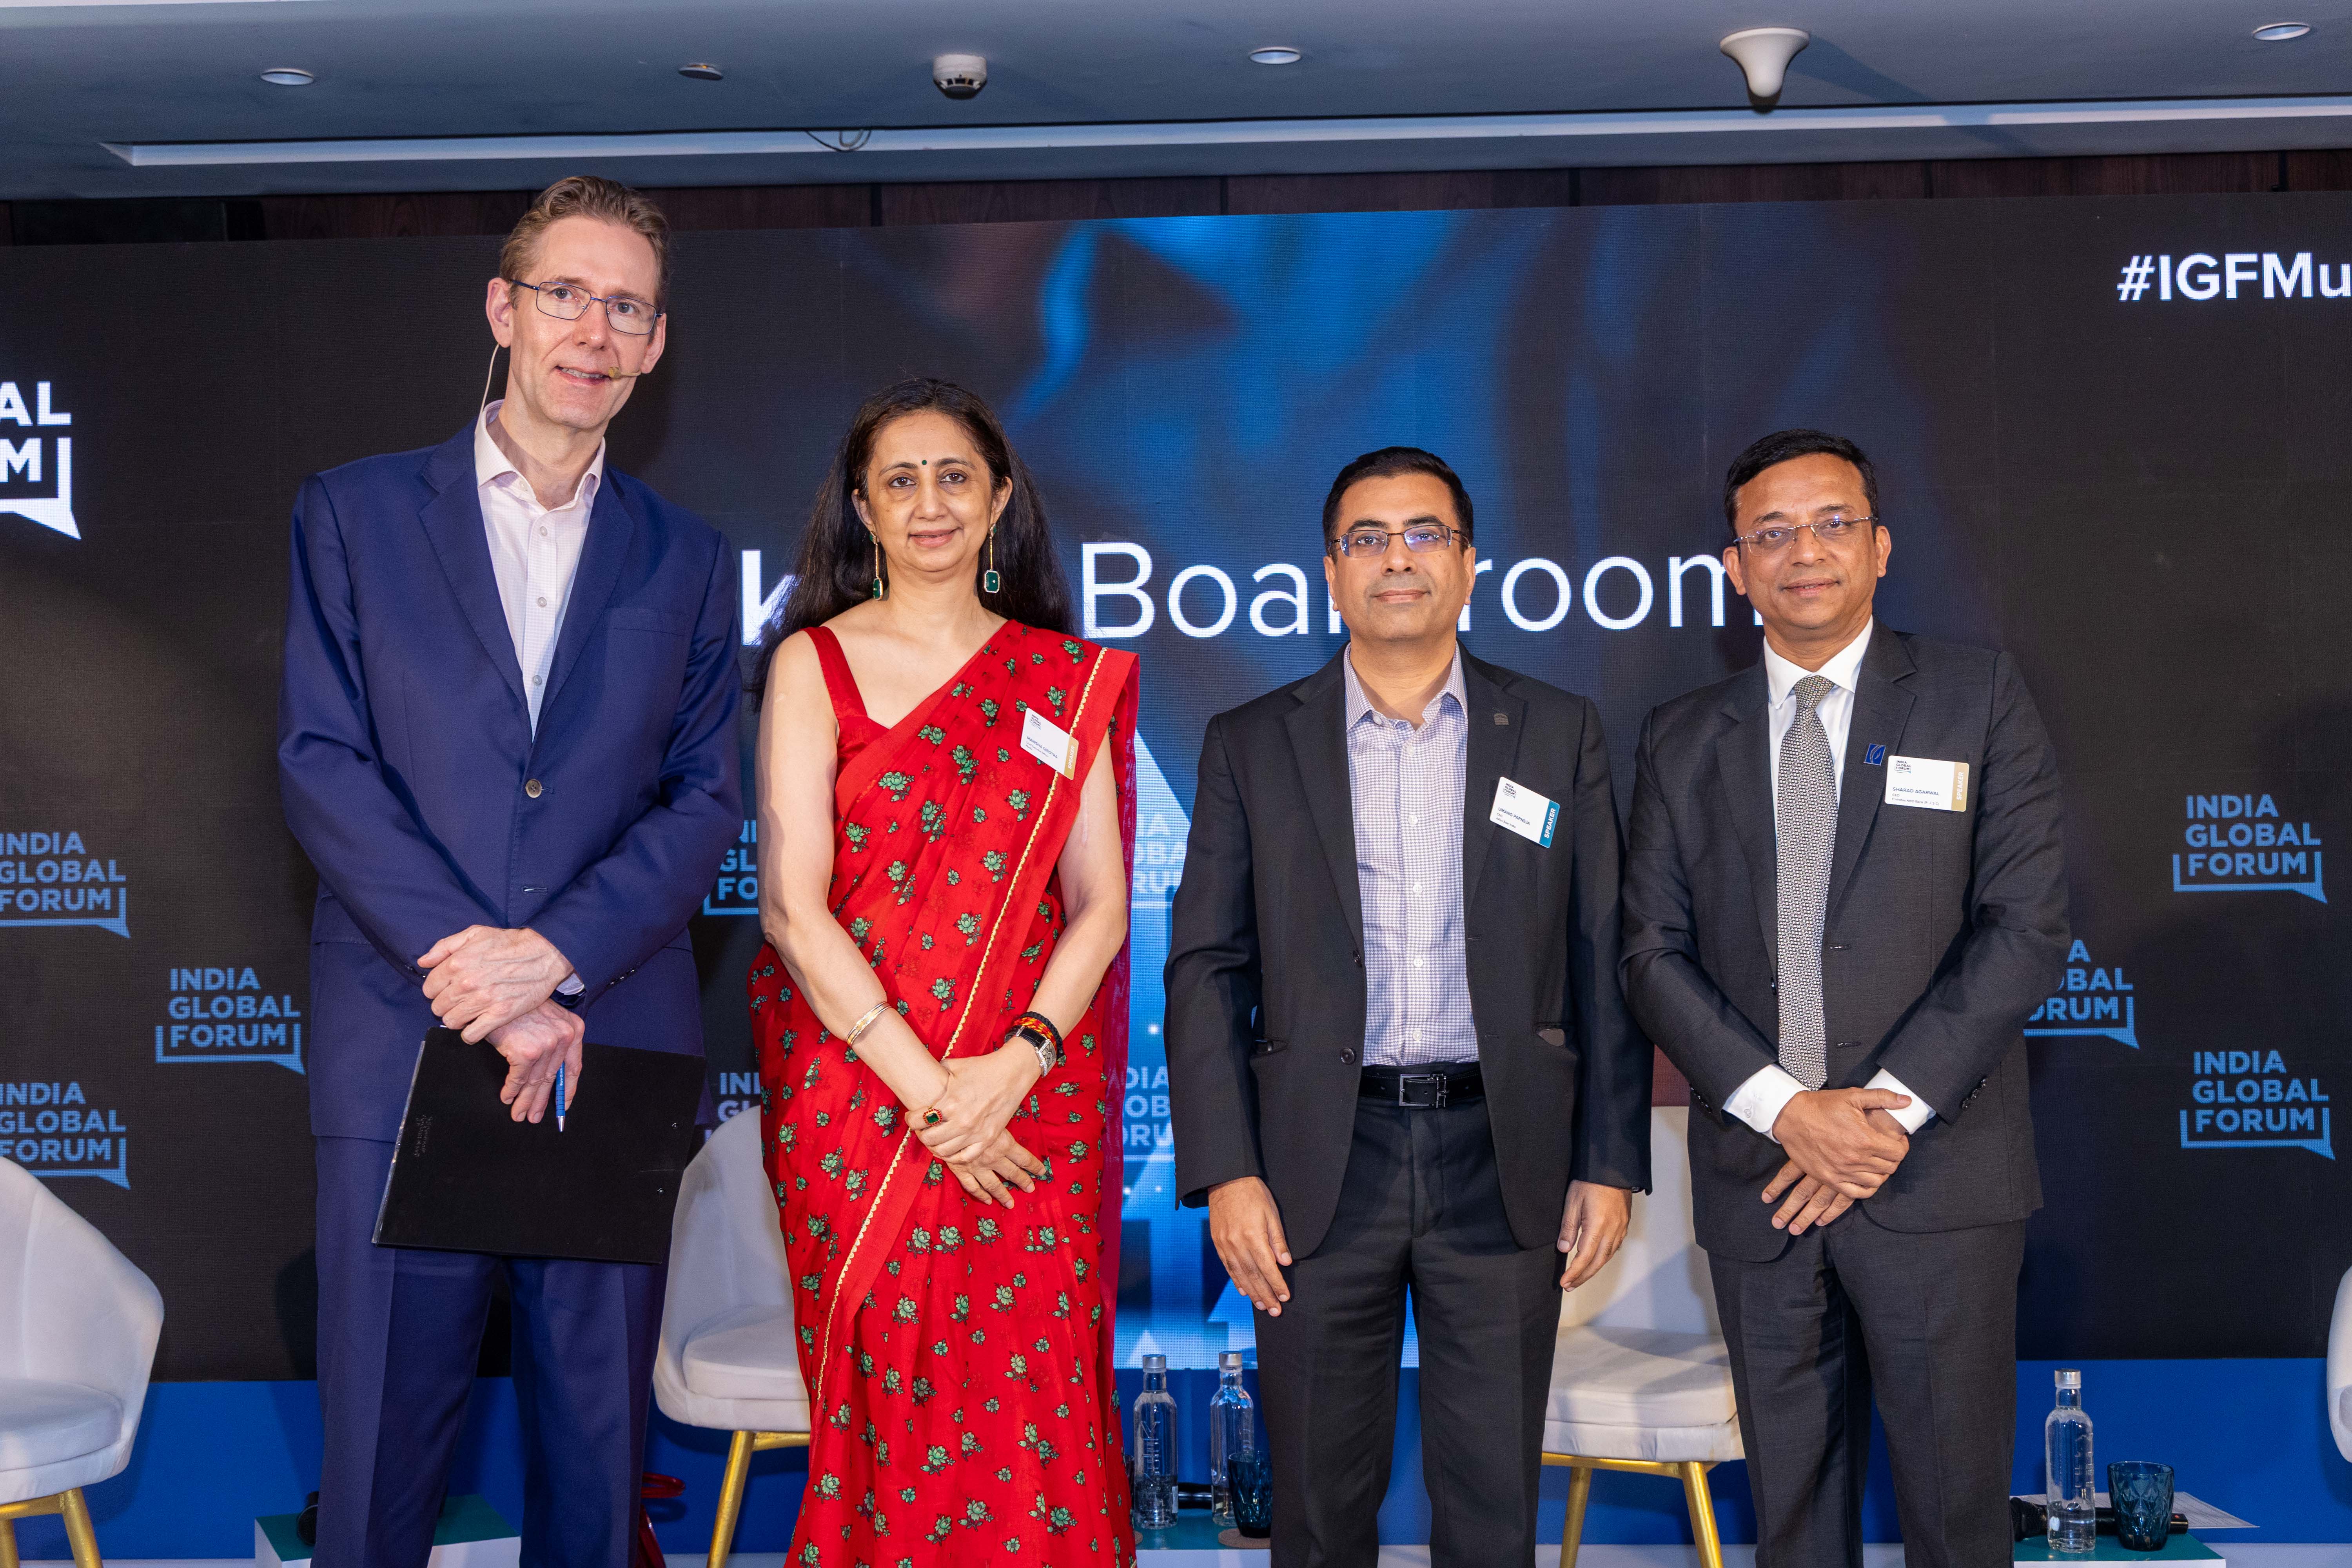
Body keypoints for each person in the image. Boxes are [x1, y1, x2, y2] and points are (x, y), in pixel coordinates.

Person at [277, 175, 742, 1566]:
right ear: (503, 309)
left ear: (658, 345)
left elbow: (703, 798)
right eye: (565, 295)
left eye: (627, 309)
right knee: (378, 1470)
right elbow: (322, 761)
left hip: (610, 1048)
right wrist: (487, 977)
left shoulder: (689, 556)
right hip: (405, 1042)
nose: (594, 331)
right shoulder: (354, 513)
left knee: (598, 1478)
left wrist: (552, 959)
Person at [1164, 446, 1652, 1568]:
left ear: (1469, 565)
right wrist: (1228, 1172)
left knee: (1492, 1509)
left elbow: (1601, 953)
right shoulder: (1252, 741)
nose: (1398, 559)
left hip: (1506, 1158)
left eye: (1425, 534)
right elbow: (1206, 967)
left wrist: (1608, 1161)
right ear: (1329, 571)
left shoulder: (1557, 729)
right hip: (1316, 1169)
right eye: (1368, 539)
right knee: (1318, 1507)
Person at [1622, 429, 2068, 1567]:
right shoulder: (1682, 737)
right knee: (1794, 1523)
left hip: (1935, 1173)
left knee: (1957, 1520)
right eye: (1772, 533)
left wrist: (1875, 1119)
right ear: (1735, 569)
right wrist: (1789, 1112)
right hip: (1763, 1183)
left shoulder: (1974, 696)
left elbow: (2024, 928)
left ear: (1879, 547)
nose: (1804, 551)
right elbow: (1651, 954)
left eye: (1832, 524)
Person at [749, 378, 1138, 1566]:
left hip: (1026, 1104)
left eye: (956, 476)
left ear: (1000, 498)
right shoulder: (813, 664)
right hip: (862, 1100)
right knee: (889, 1400)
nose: (931, 503)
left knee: (1035, 1406)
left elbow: (1101, 907)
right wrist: (935, 1098)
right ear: (863, 508)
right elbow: (791, 910)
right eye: (901, 481)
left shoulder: (1060, 678)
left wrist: (1013, 1069)